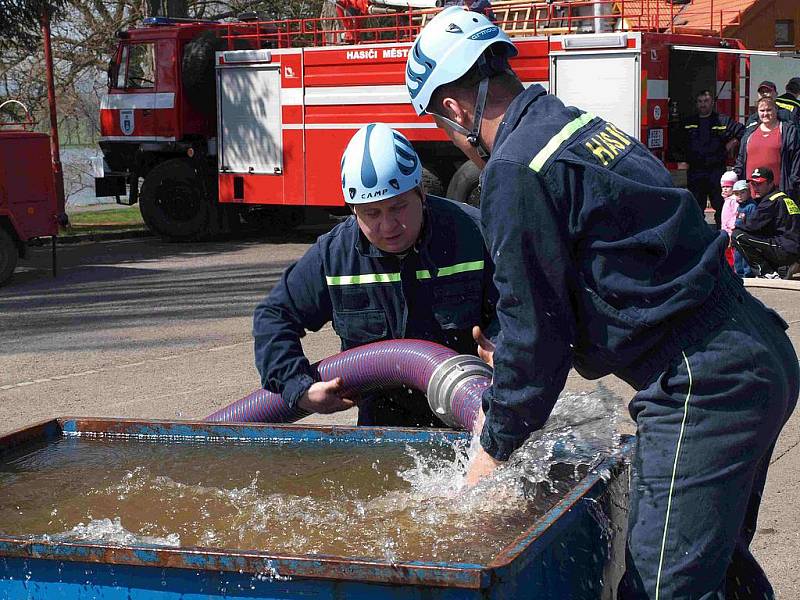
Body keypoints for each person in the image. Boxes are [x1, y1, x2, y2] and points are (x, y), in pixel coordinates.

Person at [405, 6, 798, 598]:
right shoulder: (577, 127)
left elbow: (540, 334)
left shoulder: (514, 169)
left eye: (439, 120)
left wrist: (492, 448)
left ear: (454, 108)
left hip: (703, 383)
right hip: (752, 347)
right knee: (716, 572)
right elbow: (596, 269)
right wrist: (514, 349)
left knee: (657, 589)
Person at [252, 123, 498, 427]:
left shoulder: (474, 235)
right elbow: (274, 316)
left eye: (397, 208)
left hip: (474, 417)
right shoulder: (335, 256)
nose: (387, 225)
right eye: (372, 213)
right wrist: (299, 388)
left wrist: (506, 348)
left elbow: (524, 303)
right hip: (385, 433)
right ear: (353, 210)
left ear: (421, 193)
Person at [677, 90, 744, 228]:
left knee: (720, 204)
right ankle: (697, 233)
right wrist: (682, 158)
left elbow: (742, 132)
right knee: (695, 205)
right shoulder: (688, 122)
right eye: (700, 102)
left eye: (706, 101)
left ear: (712, 103)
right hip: (696, 171)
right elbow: (677, 141)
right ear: (696, 104)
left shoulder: (722, 120)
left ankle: (723, 234)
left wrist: (732, 143)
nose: (703, 105)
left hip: (716, 171)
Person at [732, 166, 800, 279]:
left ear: (770, 183)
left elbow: (750, 226)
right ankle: (784, 267)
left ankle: (767, 273)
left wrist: (731, 228)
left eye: (759, 184)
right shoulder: (784, 197)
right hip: (791, 247)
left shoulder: (771, 201)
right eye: (753, 184)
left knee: (737, 235)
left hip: (786, 248)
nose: (755, 187)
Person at [735, 96, 800, 200]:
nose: (765, 113)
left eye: (769, 110)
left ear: (776, 110)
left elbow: (796, 159)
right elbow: (741, 158)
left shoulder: (788, 131)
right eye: (762, 110)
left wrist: (793, 184)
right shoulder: (750, 132)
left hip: (778, 192)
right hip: (751, 193)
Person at [732, 179, 757, 277]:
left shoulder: (751, 206)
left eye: (743, 192)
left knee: (745, 257)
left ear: (749, 192)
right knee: (737, 257)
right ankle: (739, 274)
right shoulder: (739, 206)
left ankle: (748, 275)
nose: (740, 195)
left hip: (746, 235)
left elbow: (752, 224)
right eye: (737, 193)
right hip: (738, 234)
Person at [719, 170, 739, 266]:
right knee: (727, 254)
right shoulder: (727, 199)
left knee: (732, 254)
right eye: (723, 187)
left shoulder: (733, 200)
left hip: (730, 232)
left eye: (728, 187)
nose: (725, 189)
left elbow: (734, 216)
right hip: (725, 231)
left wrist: (731, 232)